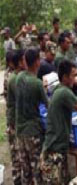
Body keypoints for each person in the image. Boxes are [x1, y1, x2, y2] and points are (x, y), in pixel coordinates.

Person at [15, 48, 48, 184]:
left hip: (20, 130)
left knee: (26, 168)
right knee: (37, 170)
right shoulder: (37, 84)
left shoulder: (19, 77)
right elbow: (49, 105)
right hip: (33, 132)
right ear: (37, 62)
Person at [6, 49, 26, 185]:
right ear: (19, 63)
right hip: (14, 122)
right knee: (17, 156)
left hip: (18, 120)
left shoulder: (19, 76)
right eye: (24, 59)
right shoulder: (13, 79)